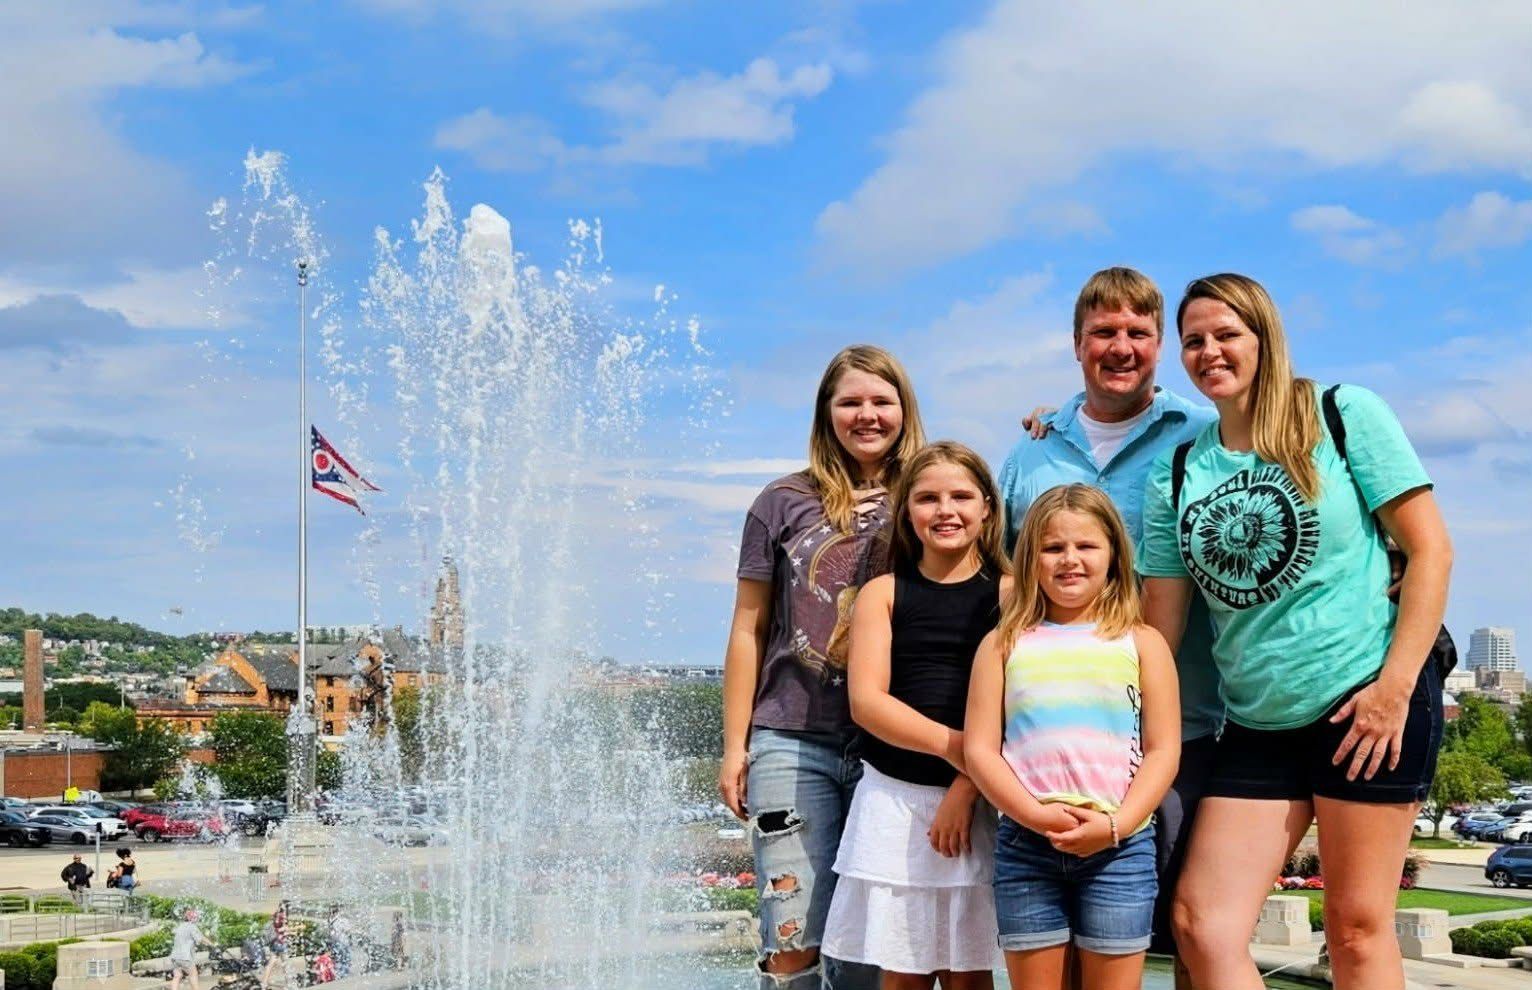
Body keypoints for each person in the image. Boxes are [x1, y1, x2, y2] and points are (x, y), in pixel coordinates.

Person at [1138, 273, 1452, 990]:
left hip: (1367, 700)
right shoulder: (1178, 470)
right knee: (1202, 923)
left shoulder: (1342, 414)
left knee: (1356, 928)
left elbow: (1430, 550)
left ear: (1265, 337)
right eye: (1193, 341)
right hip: (1255, 720)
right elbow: (1161, 624)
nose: (1209, 352)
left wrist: (1393, 689)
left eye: (1226, 335)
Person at [996, 267, 1220, 979]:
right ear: (1076, 343)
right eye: (1103, 333)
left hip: (1181, 733)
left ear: (1160, 344)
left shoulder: (1204, 435)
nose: (1120, 347)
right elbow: (1000, 573)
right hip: (1049, 750)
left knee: (1194, 930)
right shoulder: (1034, 449)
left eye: (1138, 333)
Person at [719, 344, 927, 990]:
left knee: (872, 942)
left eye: (880, 401)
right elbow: (749, 626)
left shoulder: (931, 496)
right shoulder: (781, 502)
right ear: (826, 413)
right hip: (791, 738)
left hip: (895, 745)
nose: (867, 415)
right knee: (792, 936)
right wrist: (734, 746)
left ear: (904, 409)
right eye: (851, 402)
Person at [965, 484, 1181, 990]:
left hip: (1120, 849)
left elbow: (1164, 748)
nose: (1069, 560)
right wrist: (1035, 815)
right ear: (1030, 558)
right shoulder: (1002, 643)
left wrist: (1117, 826)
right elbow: (980, 749)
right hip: (1026, 843)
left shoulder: (1142, 642)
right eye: (1052, 548)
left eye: (1086, 546)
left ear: (1113, 554)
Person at [823, 441, 1011, 989]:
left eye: (960, 496)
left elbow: (1015, 708)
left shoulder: (1013, 592)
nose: (945, 510)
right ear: (908, 513)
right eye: (928, 498)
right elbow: (868, 703)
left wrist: (966, 784)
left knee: (967, 975)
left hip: (979, 802)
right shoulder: (882, 594)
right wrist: (960, 751)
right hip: (894, 800)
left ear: (987, 509)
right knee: (902, 974)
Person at [170, 908, 212, 990]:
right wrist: (212, 944)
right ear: (193, 918)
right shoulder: (192, 927)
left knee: (177, 976)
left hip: (175, 957)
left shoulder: (181, 926)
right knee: (193, 974)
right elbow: (201, 938)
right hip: (185, 957)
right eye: (196, 917)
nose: (197, 919)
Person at [260, 901, 290, 990]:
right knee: (285, 963)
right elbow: (282, 929)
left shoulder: (275, 914)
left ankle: (264, 984)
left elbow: (274, 926)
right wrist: (289, 930)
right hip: (281, 942)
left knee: (270, 964)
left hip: (273, 942)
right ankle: (289, 983)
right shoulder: (283, 915)